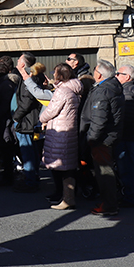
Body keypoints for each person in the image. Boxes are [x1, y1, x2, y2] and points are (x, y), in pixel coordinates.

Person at [81, 59, 124, 216]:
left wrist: (91, 139)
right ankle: (109, 202)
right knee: (106, 171)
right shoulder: (113, 86)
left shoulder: (103, 91)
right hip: (109, 136)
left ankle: (109, 205)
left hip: (102, 139)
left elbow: (99, 119)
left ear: (99, 74)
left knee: (104, 173)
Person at [39, 63, 83, 208]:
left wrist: (41, 118)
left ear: (61, 75)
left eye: (55, 72)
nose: (53, 74)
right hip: (69, 129)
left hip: (59, 131)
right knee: (67, 165)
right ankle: (64, 195)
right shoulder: (74, 89)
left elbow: (51, 110)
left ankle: (65, 197)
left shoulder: (62, 91)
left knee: (60, 165)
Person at [13, 53, 52, 193]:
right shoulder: (35, 76)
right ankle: (33, 178)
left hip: (27, 120)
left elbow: (26, 101)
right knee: (32, 150)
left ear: (23, 64)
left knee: (27, 151)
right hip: (31, 120)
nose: (17, 62)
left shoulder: (30, 78)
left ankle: (30, 181)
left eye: (19, 60)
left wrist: (16, 117)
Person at [114, 64, 134, 208]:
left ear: (127, 77)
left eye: (118, 73)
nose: (116, 76)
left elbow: (126, 117)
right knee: (126, 167)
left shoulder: (128, 92)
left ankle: (130, 197)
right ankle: (129, 195)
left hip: (125, 136)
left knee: (126, 168)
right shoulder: (127, 90)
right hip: (127, 135)